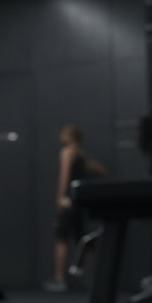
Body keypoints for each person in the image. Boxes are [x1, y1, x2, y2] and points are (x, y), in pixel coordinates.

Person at [43, 125, 107, 292]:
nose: (61, 136)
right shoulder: (81, 155)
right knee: (82, 239)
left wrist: (60, 199)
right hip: (79, 201)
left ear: (70, 136)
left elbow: (64, 176)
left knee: (61, 238)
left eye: (63, 133)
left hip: (69, 201)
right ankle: (92, 277)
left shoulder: (67, 152)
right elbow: (100, 170)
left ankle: (59, 280)